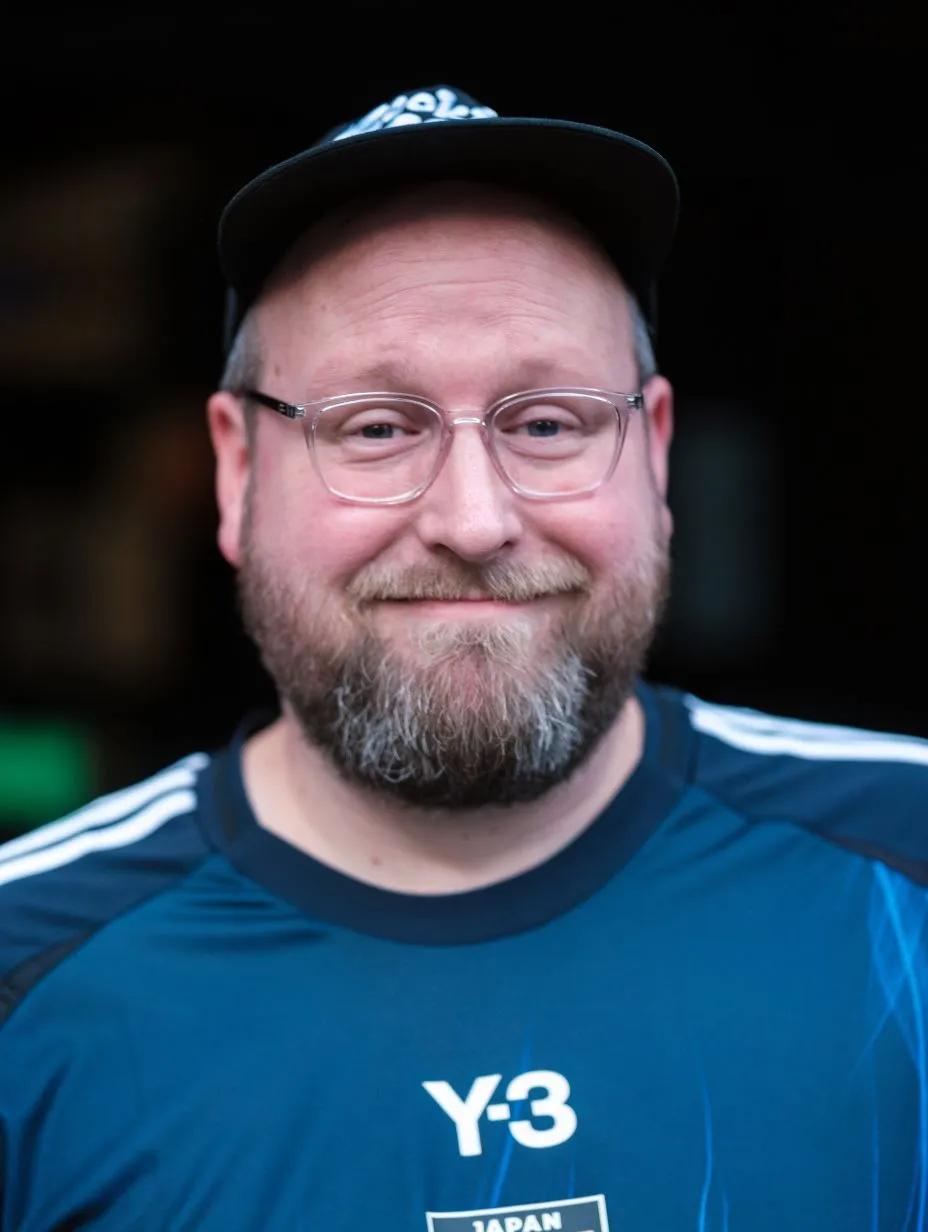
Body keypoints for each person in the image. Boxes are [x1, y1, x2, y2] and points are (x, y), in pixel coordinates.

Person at [1, 84, 926, 1232]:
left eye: (546, 422)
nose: (475, 520)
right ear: (237, 473)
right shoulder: (25, 972)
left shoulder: (906, 862)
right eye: (376, 427)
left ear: (657, 453)